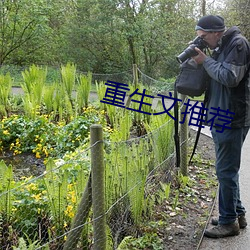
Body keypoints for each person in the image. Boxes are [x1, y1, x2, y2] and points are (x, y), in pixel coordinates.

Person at [192, 15, 250, 238]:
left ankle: (228, 223)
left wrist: (205, 61)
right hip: (220, 115)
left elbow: (229, 77)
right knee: (227, 169)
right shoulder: (221, 46)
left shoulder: (238, 44)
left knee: (225, 171)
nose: (203, 41)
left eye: (204, 37)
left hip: (232, 116)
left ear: (216, 32)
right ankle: (237, 214)